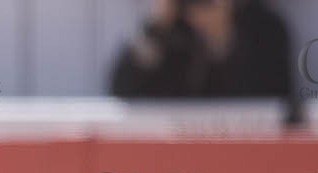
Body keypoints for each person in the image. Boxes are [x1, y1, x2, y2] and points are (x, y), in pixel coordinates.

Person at [109, 0, 293, 99]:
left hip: (240, 145)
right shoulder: (166, 26)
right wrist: (156, 28)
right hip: (170, 145)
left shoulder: (264, 26)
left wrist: (222, 40)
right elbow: (121, 92)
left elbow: (275, 100)